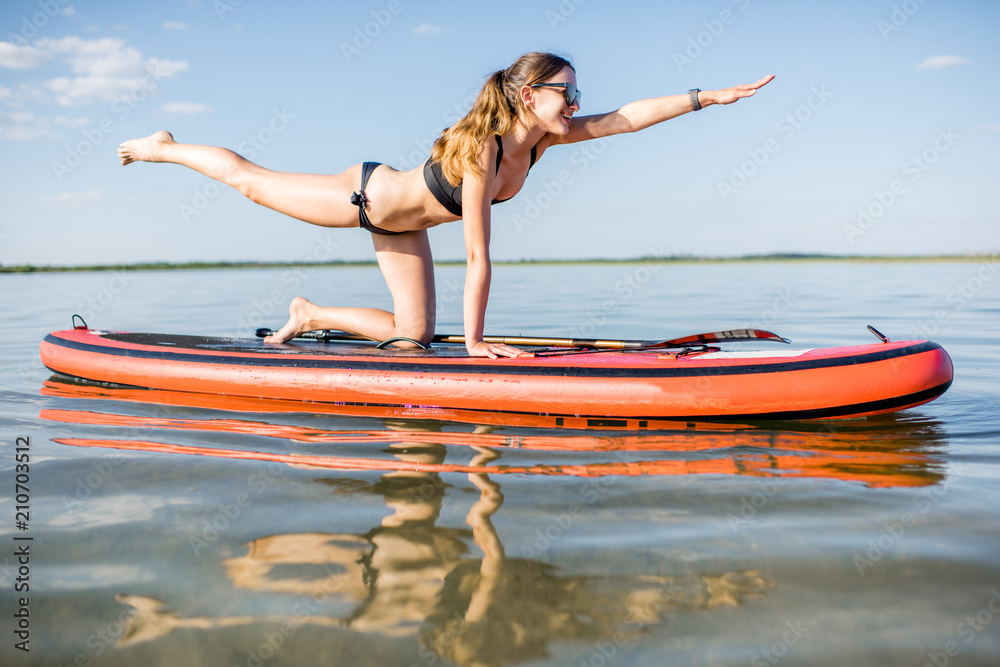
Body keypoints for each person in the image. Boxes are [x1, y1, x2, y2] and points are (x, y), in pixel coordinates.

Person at [119, 52, 773, 358]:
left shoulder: (546, 138)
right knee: (251, 180)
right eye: (565, 92)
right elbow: (479, 255)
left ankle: (309, 313)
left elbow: (625, 118)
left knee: (415, 337)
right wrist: (481, 344)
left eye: (577, 93)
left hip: (404, 232)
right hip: (364, 198)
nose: (576, 103)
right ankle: (162, 148)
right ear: (527, 96)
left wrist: (705, 98)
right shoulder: (484, 151)